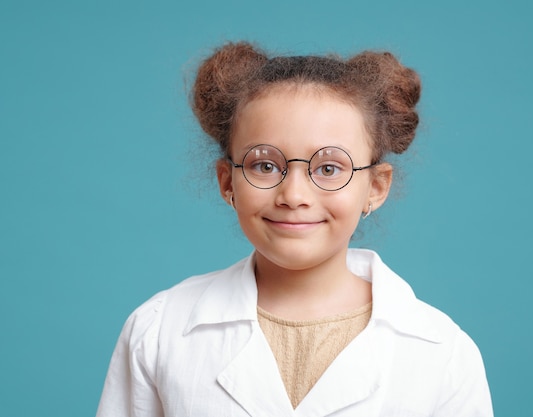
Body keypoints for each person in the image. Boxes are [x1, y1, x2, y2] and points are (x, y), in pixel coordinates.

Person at [96, 41, 493, 417]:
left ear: (375, 187)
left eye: (328, 168)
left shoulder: (443, 353)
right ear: (227, 181)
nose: (294, 195)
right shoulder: (159, 330)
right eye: (265, 165)